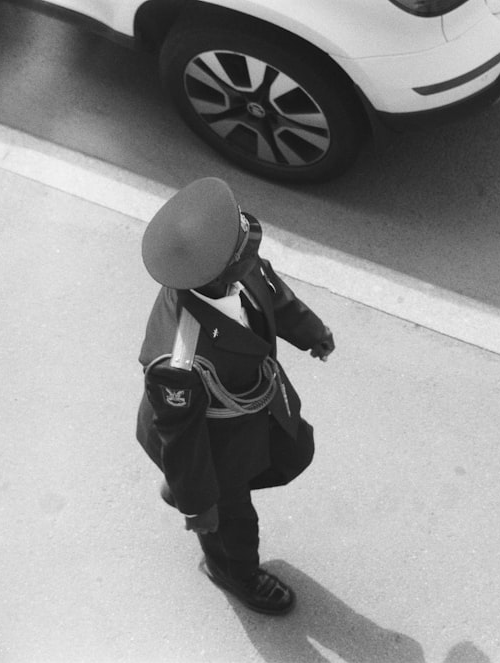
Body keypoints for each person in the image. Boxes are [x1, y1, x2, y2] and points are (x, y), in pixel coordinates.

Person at [135, 177, 335, 616]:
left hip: (248, 412)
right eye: (243, 250)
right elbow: (184, 442)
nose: (253, 244)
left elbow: (272, 292)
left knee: (291, 452)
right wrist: (199, 505)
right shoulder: (179, 362)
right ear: (216, 272)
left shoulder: (235, 266)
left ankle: (192, 496)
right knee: (231, 519)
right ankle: (232, 571)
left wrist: (310, 331)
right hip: (208, 444)